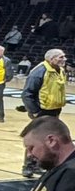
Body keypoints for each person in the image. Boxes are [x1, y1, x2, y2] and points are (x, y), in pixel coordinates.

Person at [21, 48, 66, 178]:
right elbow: (27, 94)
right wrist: (35, 111)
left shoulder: (60, 71)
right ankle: (28, 166)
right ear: (51, 59)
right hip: (42, 110)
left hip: (54, 110)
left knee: (48, 140)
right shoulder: (39, 72)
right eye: (61, 57)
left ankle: (39, 164)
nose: (64, 59)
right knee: (36, 139)